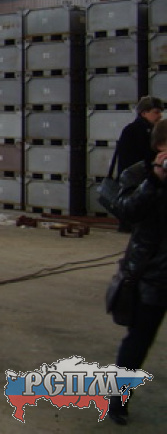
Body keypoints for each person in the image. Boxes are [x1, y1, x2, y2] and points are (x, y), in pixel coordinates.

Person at [108, 119, 167, 425]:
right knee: (139, 339)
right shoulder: (139, 174)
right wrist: (154, 181)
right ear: (160, 146)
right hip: (151, 272)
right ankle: (118, 400)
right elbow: (127, 211)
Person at [114, 96, 163, 233]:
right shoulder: (134, 131)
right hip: (136, 181)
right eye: (156, 112)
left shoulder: (149, 130)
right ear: (144, 113)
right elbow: (135, 160)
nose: (160, 116)